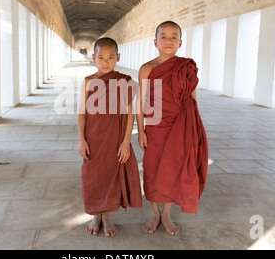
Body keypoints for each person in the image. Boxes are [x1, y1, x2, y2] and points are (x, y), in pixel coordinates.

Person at [137, 21, 209, 235]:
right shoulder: (147, 69)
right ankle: (154, 213)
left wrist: (195, 128)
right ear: (155, 41)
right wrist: (140, 130)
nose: (168, 40)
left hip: (180, 127)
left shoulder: (186, 67)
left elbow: (192, 99)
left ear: (180, 42)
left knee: (173, 169)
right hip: (155, 127)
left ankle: (166, 214)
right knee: (152, 168)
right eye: (164, 36)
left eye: (173, 36)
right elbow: (141, 102)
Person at [78, 37, 142, 237]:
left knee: (111, 177)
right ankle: (96, 214)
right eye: (101, 58)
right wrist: (82, 139)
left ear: (118, 58)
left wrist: (126, 142)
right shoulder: (88, 81)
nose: (105, 62)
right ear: (94, 57)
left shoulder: (123, 81)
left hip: (115, 139)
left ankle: (106, 217)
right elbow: (82, 112)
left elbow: (129, 113)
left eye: (111, 57)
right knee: (94, 177)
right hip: (94, 138)